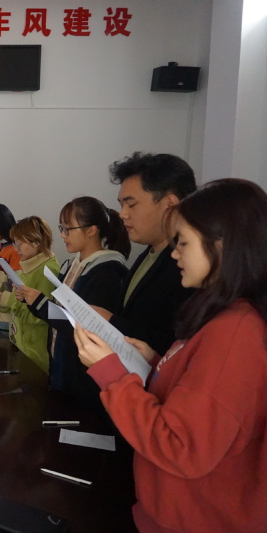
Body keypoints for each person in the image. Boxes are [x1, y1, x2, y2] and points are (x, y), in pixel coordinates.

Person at [74, 178, 267, 533]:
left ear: (223, 245)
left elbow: (181, 445)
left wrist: (112, 374)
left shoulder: (237, 331)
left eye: (184, 243)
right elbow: (195, 396)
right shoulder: (220, 315)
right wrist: (153, 364)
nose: (175, 253)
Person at [19, 197, 129, 414]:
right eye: (62, 228)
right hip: (61, 366)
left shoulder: (107, 271)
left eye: (68, 229)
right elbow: (61, 315)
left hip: (83, 377)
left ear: (91, 231)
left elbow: (86, 328)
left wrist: (41, 303)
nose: (62, 235)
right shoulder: (71, 265)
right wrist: (34, 302)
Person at [94, 152, 196, 355]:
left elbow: (178, 345)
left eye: (131, 204)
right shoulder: (148, 253)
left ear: (171, 203)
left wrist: (111, 322)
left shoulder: (189, 267)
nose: (123, 214)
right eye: (121, 205)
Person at [6, 216, 60, 373]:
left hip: (36, 349)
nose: (16, 249)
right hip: (23, 342)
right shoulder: (29, 265)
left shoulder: (47, 270)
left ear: (36, 241)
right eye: (14, 243)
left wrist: (14, 302)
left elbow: (42, 315)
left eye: (19, 243)